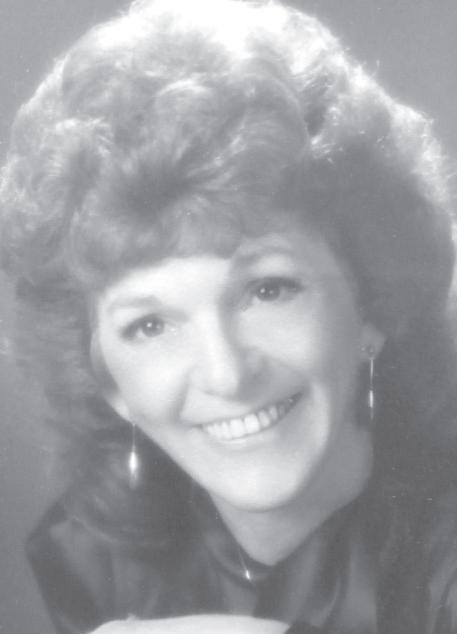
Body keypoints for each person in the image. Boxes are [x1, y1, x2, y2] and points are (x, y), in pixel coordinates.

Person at [1, 0, 456, 632]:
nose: (227, 374)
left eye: (268, 290)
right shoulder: (95, 560)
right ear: (106, 383)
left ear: (372, 307)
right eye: (150, 326)